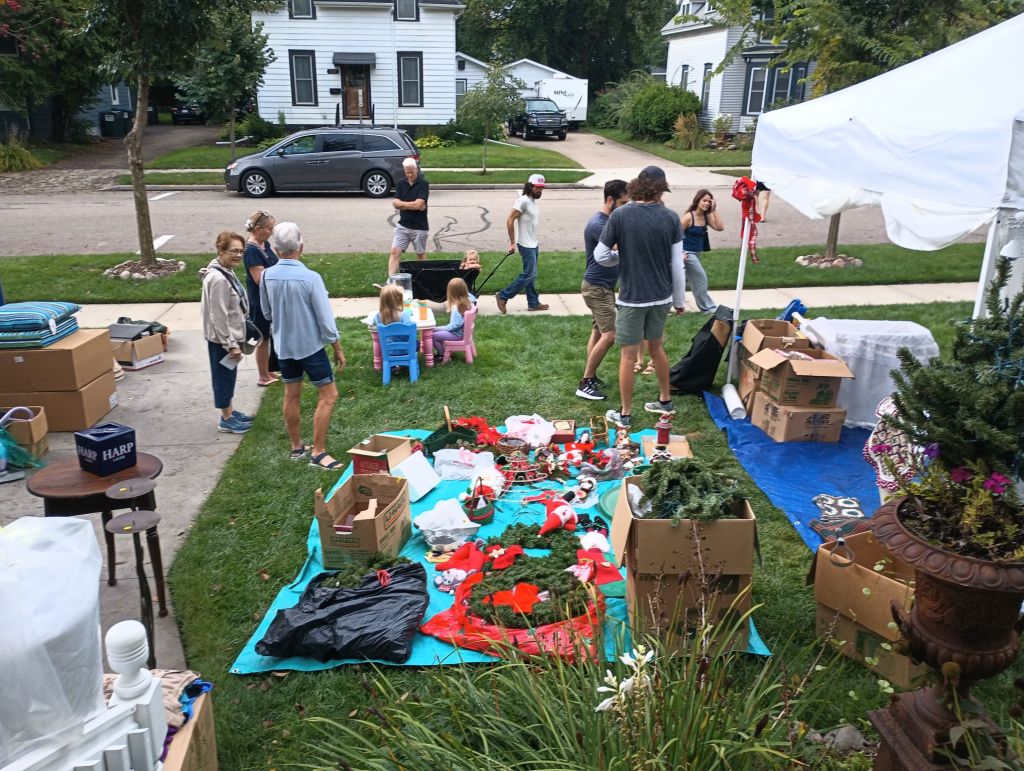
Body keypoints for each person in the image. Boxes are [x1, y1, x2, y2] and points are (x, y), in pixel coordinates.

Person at [594, 166, 685, 428]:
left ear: (636, 186)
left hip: (632, 298)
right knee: (656, 348)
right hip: (661, 297)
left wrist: (621, 257)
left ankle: (625, 414)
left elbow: (600, 256)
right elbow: (677, 265)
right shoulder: (671, 217)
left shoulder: (620, 215)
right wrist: (679, 300)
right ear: (660, 189)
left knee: (628, 355)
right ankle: (665, 401)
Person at [261, 222, 347, 469]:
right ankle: (318, 453)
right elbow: (326, 322)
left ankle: (297, 447)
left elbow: (266, 313)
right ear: (301, 246)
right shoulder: (311, 278)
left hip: (283, 346)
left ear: (276, 249)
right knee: (329, 395)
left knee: (291, 394)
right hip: (310, 347)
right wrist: (337, 348)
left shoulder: (266, 276)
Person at [576, 179, 628, 401]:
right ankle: (586, 382)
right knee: (610, 335)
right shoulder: (599, 224)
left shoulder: (607, 221)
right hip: (596, 288)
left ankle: (591, 375)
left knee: (598, 332)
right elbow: (619, 246)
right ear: (610, 200)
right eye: (623, 203)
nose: (625, 207)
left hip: (602, 287)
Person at [200, 231, 256, 434]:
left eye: (241, 251)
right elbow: (218, 315)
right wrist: (230, 345)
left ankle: (230, 412)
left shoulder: (224, 270)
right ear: (221, 250)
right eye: (234, 251)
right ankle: (226, 419)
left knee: (228, 376)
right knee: (223, 378)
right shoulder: (219, 279)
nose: (238, 255)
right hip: (222, 341)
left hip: (229, 337)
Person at [496, 173, 549, 313]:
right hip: (525, 244)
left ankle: (533, 303)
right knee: (528, 274)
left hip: (533, 244)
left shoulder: (532, 201)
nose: (540, 190)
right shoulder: (523, 201)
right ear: (530, 186)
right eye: (537, 187)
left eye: (541, 188)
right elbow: (510, 220)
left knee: (532, 274)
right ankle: (503, 296)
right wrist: (512, 242)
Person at [243, 210, 280, 387]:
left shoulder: (264, 244)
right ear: (258, 229)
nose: (271, 232)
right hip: (259, 301)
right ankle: (263, 376)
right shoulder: (251, 250)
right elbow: (259, 278)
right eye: (269, 228)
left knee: (268, 337)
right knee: (263, 339)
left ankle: (269, 370)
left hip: (269, 299)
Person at [680, 189, 725, 314]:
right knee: (700, 279)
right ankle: (708, 308)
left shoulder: (706, 216)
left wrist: (714, 210)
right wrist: (680, 253)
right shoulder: (689, 217)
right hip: (686, 253)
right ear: (697, 201)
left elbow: (720, 227)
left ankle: (665, 305)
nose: (706, 203)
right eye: (704, 200)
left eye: (709, 202)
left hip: (696, 253)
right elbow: (675, 235)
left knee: (679, 281)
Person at [388, 158, 429, 277]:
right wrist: (413, 205)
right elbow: (395, 203)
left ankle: (424, 279)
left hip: (419, 227)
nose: (410, 175)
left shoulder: (423, 184)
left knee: (420, 254)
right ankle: (390, 280)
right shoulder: (401, 184)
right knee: (395, 252)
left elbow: (419, 205)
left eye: (412, 172)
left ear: (416, 170)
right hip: (403, 225)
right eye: (407, 173)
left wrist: (403, 204)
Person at [433, 277, 477, 360]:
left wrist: (439, 328)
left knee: (432, 336)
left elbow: (455, 325)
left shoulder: (457, 307)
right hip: (463, 333)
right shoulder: (469, 300)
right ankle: (445, 350)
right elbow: (472, 296)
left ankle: (441, 355)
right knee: (436, 332)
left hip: (457, 334)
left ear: (451, 292)